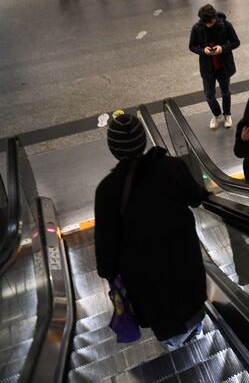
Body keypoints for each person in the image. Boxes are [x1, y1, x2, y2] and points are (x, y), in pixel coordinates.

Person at [94, 111, 207, 352]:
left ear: (114, 150)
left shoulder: (107, 191)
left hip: (148, 286)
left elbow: (105, 258)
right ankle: (196, 333)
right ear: (143, 141)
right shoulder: (173, 167)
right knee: (193, 311)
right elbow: (196, 199)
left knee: (169, 327)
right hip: (187, 268)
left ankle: (176, 346)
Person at [189, 4, 241, 130]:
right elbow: (192, 46)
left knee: (225, 91)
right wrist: (203, 50)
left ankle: (227, 114)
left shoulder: (225, 25)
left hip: (223, 65)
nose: (208, 25)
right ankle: (217, 115)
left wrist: (222, 48)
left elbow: (236, 42)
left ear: (215, 17)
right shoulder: (197, 28)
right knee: (209, 95)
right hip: (207, 67)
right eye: (205, 22)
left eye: (210, 22)